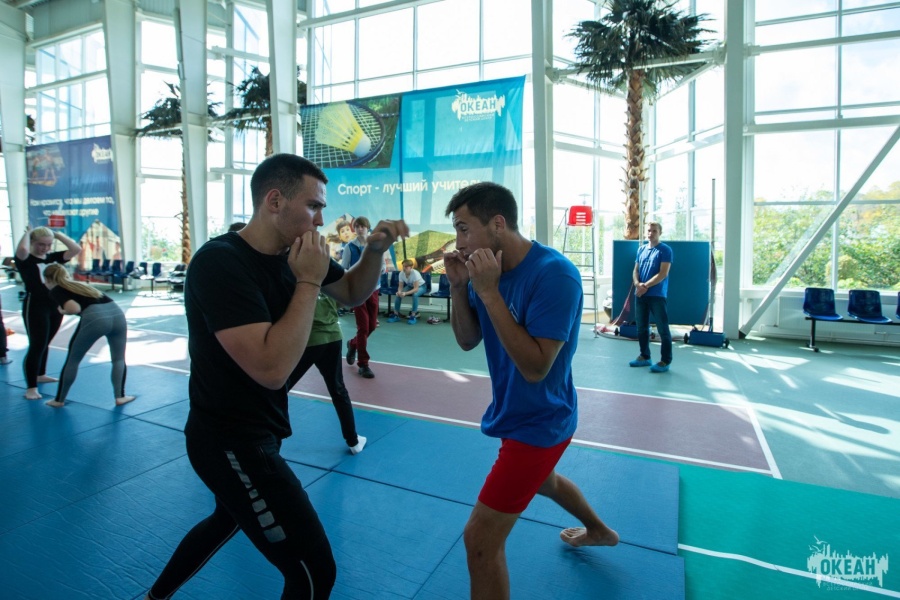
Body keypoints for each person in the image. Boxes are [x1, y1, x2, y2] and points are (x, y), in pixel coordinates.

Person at [144, 154, 407, 600]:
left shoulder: (294, 254)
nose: (321, 219)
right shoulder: (220, 264)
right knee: (314, 572)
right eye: (313, 206)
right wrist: (307, 282)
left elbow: (349, 292)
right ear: (274, 201)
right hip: (230, 443)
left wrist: (375, 252)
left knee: (225, 520)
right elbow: (270, 369)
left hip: (260, 430)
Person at [442, 182, 619, 599]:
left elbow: (536, 367)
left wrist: (489, 292)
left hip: (541, 422)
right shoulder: (484, 273)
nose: (459, 243)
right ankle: (599, 530)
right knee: (546, 482)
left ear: (497, 224)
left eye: (464, 229)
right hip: (513, 413)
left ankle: (599, 529)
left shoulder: (555, 275)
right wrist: (459, 288)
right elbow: (467, 340)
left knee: (480, 541)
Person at [41, 264, 134, 408]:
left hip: (96, 318)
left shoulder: (57, 289)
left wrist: (62, 311)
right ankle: (120, 397)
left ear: (47, 279)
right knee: (118, 359)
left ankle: (59, 400)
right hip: (118, 316)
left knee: (73, 359)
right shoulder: (79, 285)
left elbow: (74, 308)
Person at [288, 294, 366, 454]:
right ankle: (353, 441)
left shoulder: (296, 281)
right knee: (338, 389)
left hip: (309, 339)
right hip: (332, 337)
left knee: (279, 388)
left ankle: (270, 441)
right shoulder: (328, 280)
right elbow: (344, 300)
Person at [14, 225, 82, 400]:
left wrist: (57, 235)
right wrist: (28, 233)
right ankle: (31, 387)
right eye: (41, 244)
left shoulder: (53, 258)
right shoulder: (25, 259)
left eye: (48, 244)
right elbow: (22, 249)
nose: (45, 248)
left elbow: (76, 249)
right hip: (35, 306)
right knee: (37, 345)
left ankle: (40, 374)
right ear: (32, 242)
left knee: (46, 342)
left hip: (55, 305)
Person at [629, 221, 673, 373]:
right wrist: (637, 284)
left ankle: (665, 361)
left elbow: (663, 273)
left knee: (663, 329)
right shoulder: (641, 249)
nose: (651, 233)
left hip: (657, 296)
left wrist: (645, 286)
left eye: (654, 231)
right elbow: (635, 270)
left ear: (660, 233)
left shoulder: (665, 250)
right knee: (641, 328)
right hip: (640, 295)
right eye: (649, 230)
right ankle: (645, 356)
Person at [342, 216, 380, 379]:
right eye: (357, 226)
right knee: (363, 328)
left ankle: (353, 343)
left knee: (372, 326)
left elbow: (382, 266)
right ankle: (363, 364)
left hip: (374, 290)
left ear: (368, 227)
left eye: (362, 226)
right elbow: (344, 269)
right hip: (358, 292)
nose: (359, 229)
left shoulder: (376, 246)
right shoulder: (349, 247)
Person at [389, 259, 425, 324]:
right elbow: (400, 286)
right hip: (410, 286)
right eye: (403, 266)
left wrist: (405, 293)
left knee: (415, 295)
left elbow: (416, 289)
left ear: (411, 267)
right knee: (399, 295)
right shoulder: (401, 273)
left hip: (421, 286)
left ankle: (413, 315)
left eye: (406, 267)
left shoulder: (415, 273)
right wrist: (399, 292)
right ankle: (396, 314)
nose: (404, 268)